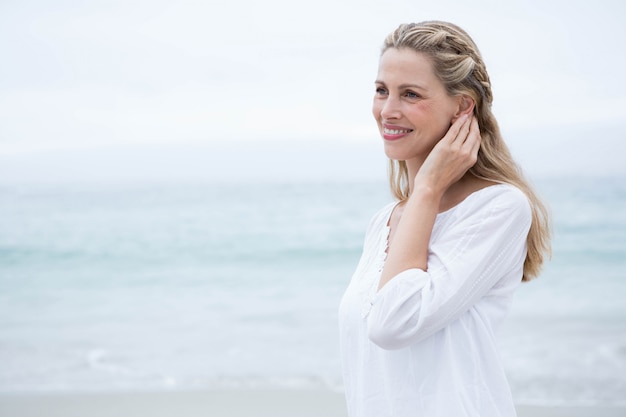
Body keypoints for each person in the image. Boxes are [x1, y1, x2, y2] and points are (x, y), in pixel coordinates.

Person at [338, 21, 551, 417]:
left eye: (411, 94)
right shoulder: (384, 221)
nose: (387, 110)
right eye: (381, 90)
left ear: (462, 106)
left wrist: (428, 188)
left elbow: (393, 323)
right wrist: (423, 194)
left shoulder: (499, 207)